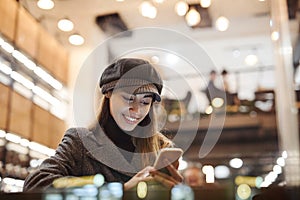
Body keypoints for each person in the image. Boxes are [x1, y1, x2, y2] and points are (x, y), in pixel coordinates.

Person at [23, 58, 183, 191]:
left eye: (145, 102)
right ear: (108, 93)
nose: (136, 110)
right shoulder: (79, 141)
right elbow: (36, 183)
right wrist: (119, 191)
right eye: (128, 98)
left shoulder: (162, 148)